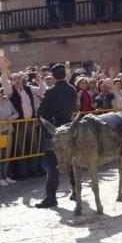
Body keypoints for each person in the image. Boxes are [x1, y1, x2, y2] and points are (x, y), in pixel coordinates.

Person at [34, 64, 76, 209]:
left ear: (53, 75)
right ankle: (76, 192)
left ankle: (51, 197)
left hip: (54, 130)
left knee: (52, 165)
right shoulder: (72, 89)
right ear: (65, 74)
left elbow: (41, 114)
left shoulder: (51, 92)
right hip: (69, 128)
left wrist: (46, 125)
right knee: (71, 161)